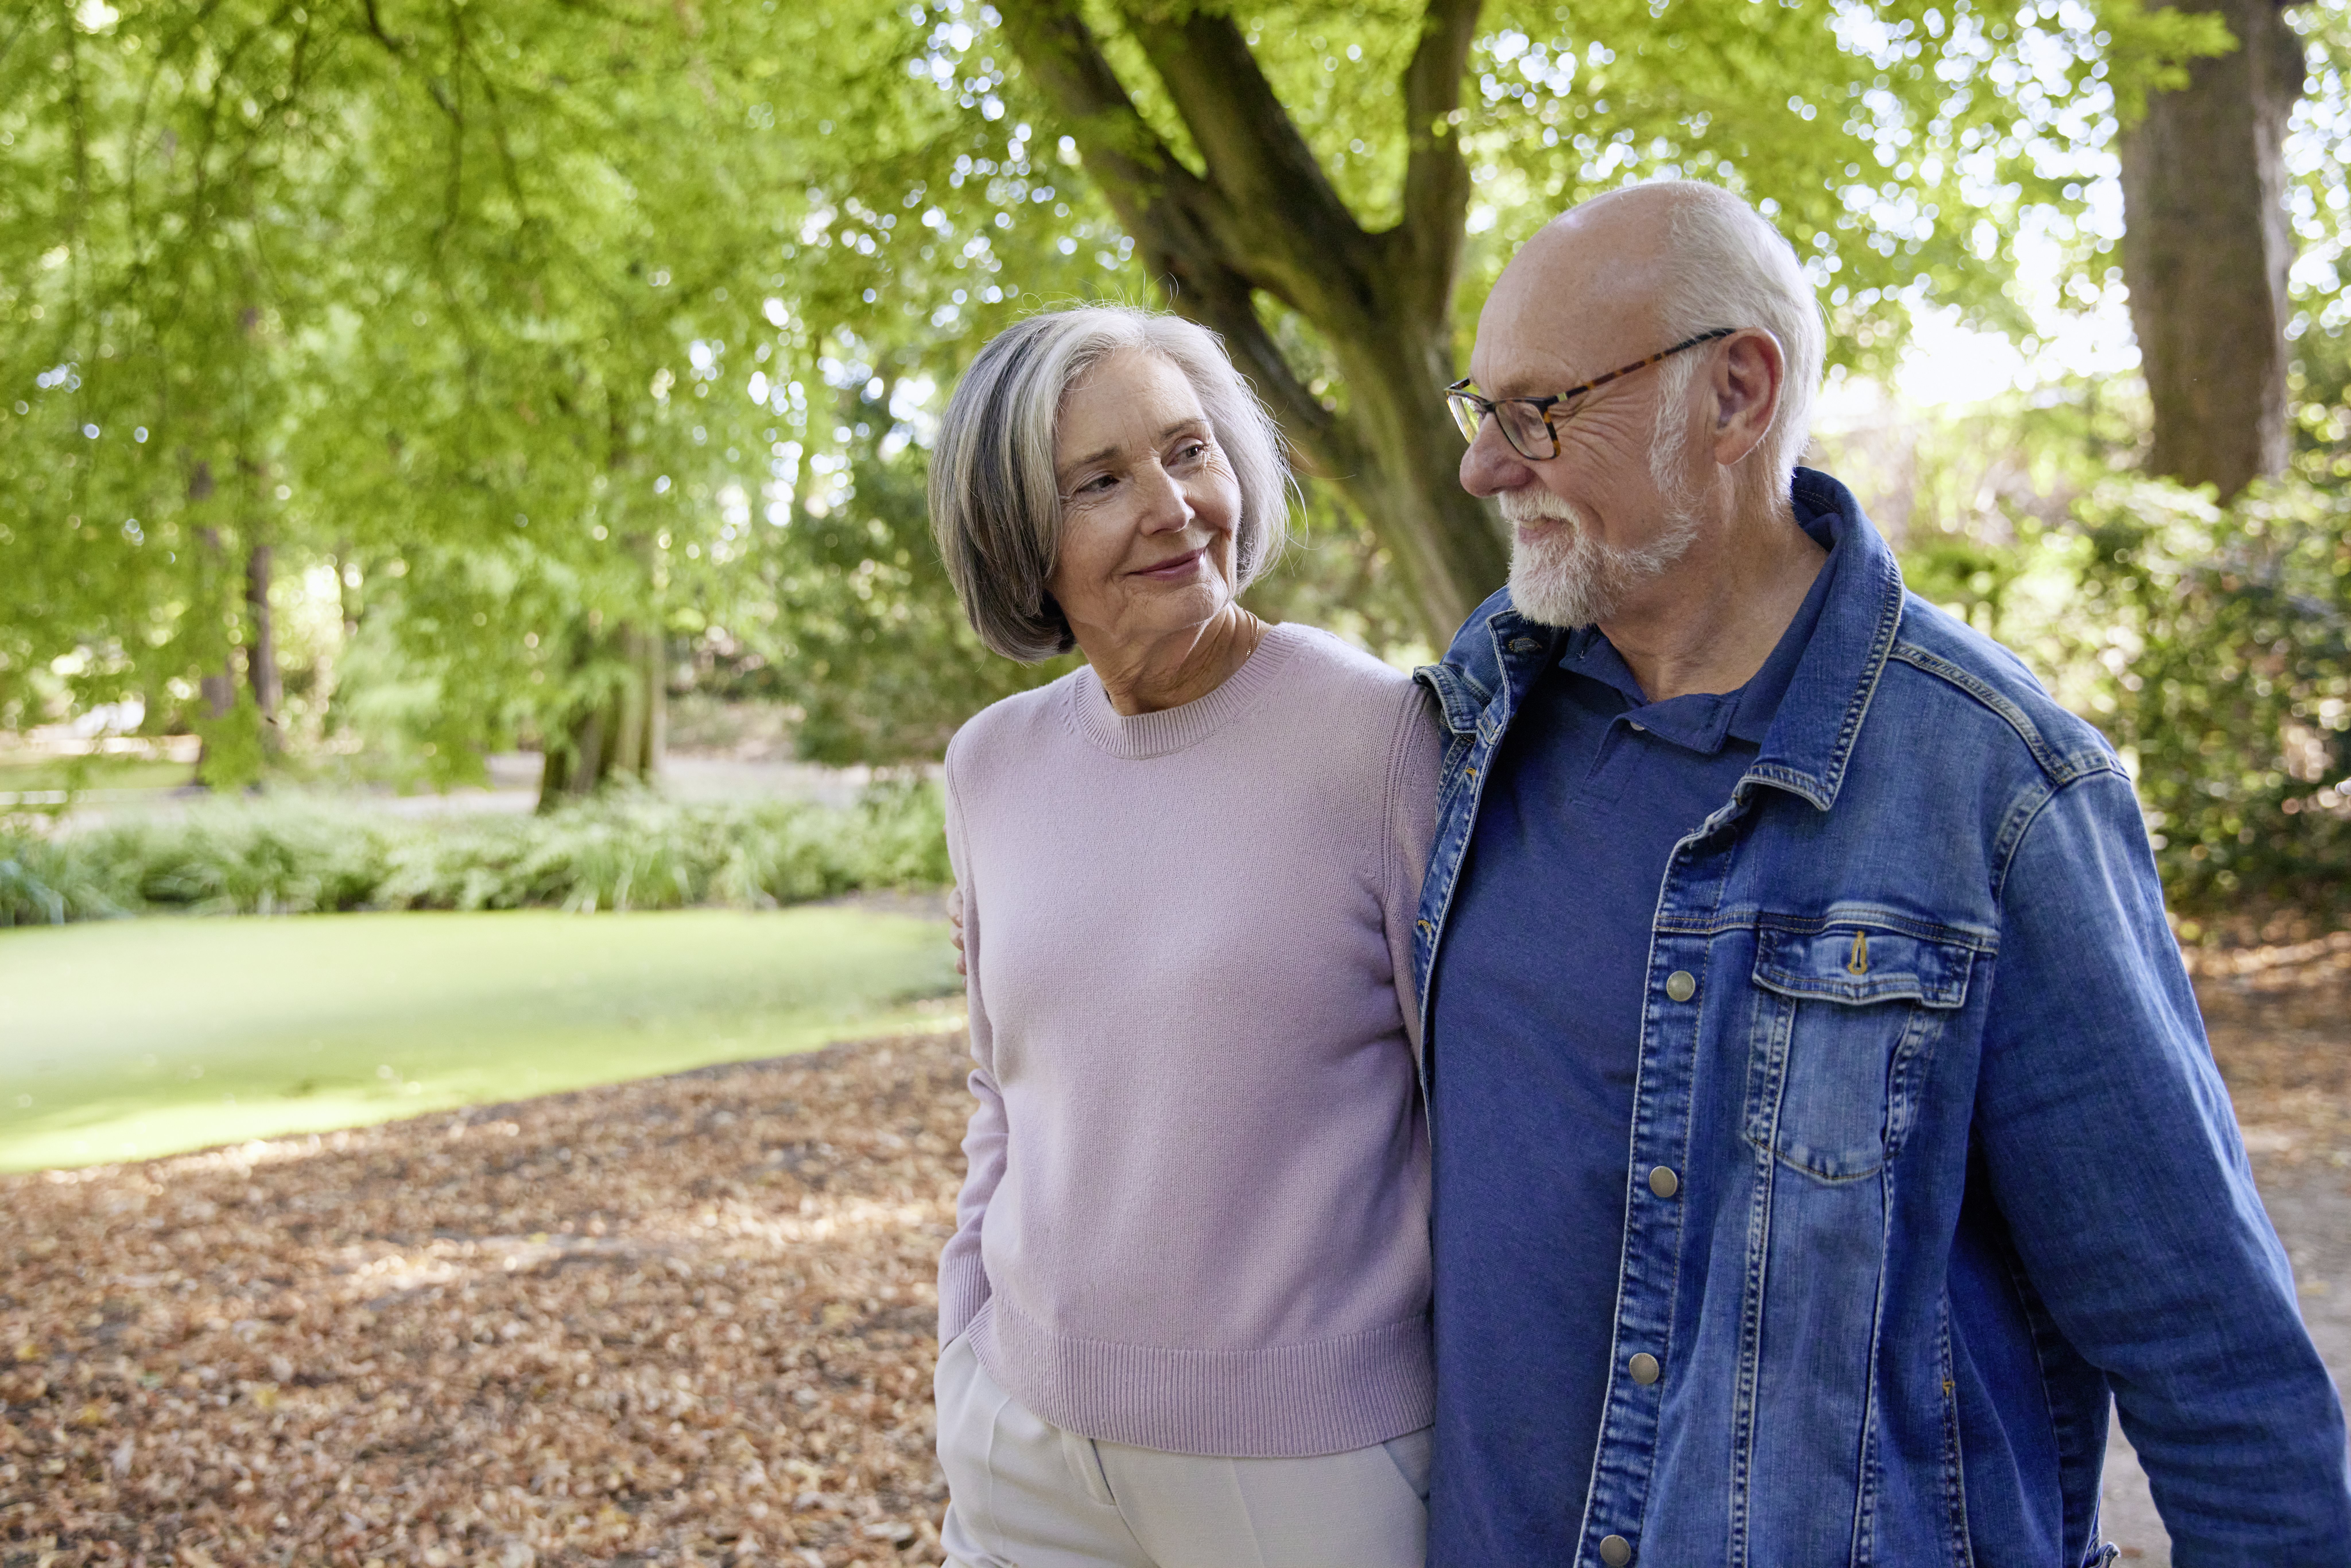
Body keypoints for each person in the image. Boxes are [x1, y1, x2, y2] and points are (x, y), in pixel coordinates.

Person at [1416, 178, 2351, 1566]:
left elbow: (2213, 1365)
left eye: (1538, 412)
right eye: (1478, 408)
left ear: (1736, 395)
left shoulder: (2000, 789)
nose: (1485, 468)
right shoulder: (1477, 715)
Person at [924, 304, 1440, 1568]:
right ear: (1016, 536)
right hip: (1023, 1452)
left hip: (1311, 1474)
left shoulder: (1374, 738)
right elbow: (1005, 1086)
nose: (1171, 505)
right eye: (1099, 481)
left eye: (1188, 451)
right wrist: (964, 1346)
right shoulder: (991, 765)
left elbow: (1477, 1105)